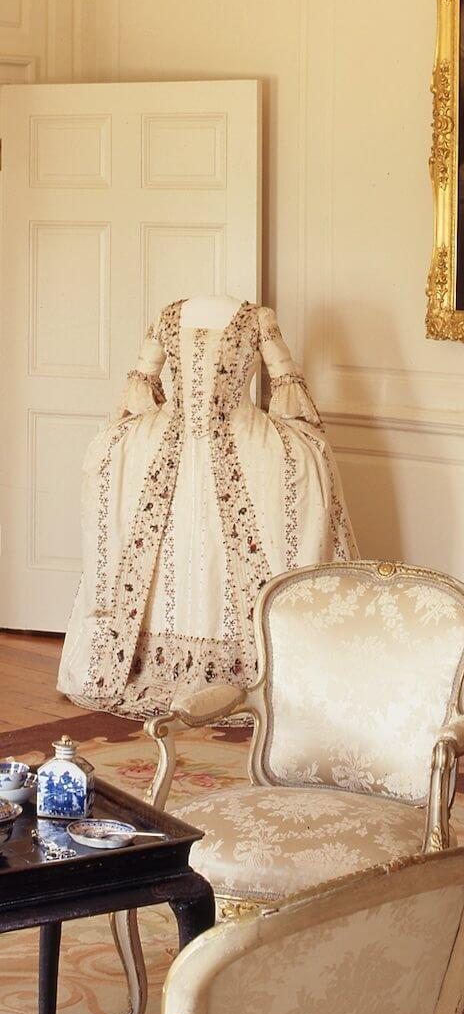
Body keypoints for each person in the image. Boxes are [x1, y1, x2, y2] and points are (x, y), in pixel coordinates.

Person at [57, 298, 357, 720]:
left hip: (168, 443)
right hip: (242, 439)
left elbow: (141, 387)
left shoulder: (173, 315)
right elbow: (287, 384)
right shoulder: (257, 318)